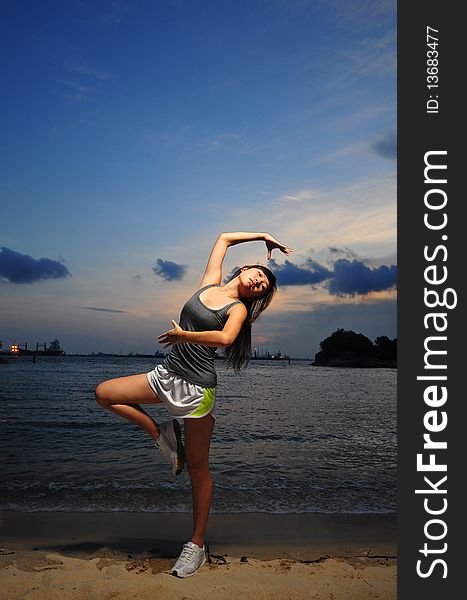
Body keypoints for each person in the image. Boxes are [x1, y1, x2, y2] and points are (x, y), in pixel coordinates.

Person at [95, 231, 292, 577]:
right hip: (167, 374)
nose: (258, 282)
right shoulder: (209, 284)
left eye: (262, 287)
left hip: (197, 390)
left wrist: (184, 335)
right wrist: (263, 235)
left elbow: (225, 338)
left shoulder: (237, 311)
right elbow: (224, 239)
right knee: (105, 394)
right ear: (245, 268)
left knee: (198, 470)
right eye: (259, 274)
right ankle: (160, 433)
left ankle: (197, 545)